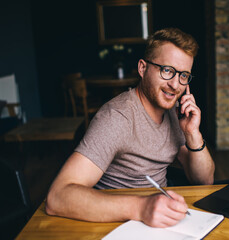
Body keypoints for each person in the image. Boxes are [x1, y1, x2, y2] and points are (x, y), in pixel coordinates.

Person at [45, 28, 215, 228]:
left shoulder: (175, 113)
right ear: (143, 68)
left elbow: (205, 180)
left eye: (183, 75)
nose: (175, 85)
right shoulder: (117, 118)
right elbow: (57, 197)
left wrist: (193, 133)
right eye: (167, 70)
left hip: (160, 220)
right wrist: (141, 208)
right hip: (117, 224)